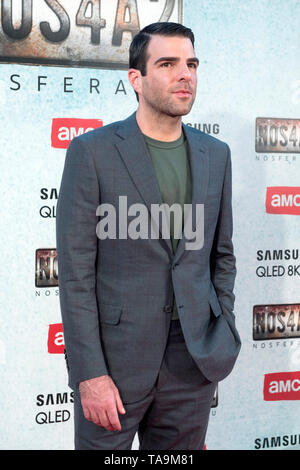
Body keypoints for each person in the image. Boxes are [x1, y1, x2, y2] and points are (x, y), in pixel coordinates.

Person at [56, 22, 241, 451]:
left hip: (192, 362)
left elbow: (222, 255)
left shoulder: (217, 155)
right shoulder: (93, 152)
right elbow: (76, 273)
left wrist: (222, 325)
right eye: (168, 63)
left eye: (192, 64)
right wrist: (90, 373)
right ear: (135, 79)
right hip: (115, 365)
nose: (185, 74)